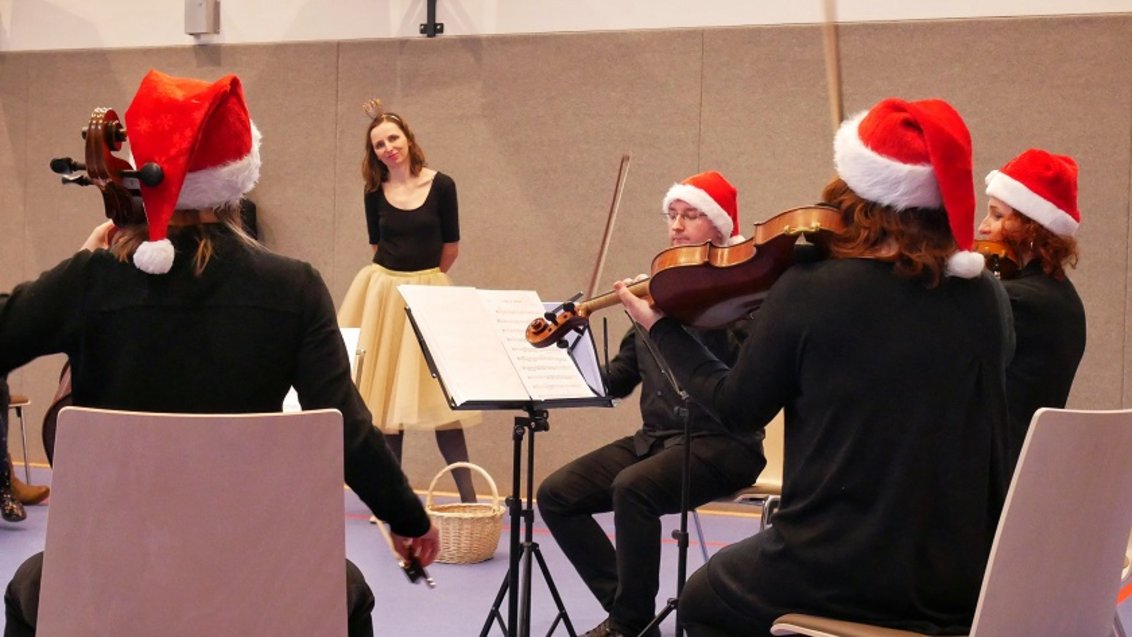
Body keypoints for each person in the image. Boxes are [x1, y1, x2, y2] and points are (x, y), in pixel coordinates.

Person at [0, 69, 438, 637]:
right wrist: (406, 517)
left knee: (27, 586)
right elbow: (347, 429)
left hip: (116, 572)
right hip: (253, 565)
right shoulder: (294, 287)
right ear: (237, 180)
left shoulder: (93, 281)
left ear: (142, 174)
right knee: (347, 590)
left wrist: (79, 264)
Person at [616, 98, 1013, 635]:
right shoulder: (984, 295)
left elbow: (736, 408)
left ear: (856, 191)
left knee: (703, 601)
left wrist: (663, 328)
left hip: (839, 567)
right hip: (960, 576)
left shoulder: (813, 290)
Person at [537, 171, 767, 637]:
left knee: (632, 488)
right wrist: (576, 351)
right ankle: (631, 611)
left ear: (721, 229)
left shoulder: (743, 303)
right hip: (656, 442)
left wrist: (669, 320)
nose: (677, 225)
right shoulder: (655, 296)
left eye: (691, 215)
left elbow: (743, 385)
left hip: (724, 444)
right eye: (672, 215)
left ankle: (628, 625)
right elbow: (617, 381)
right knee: (555, 495)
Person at [337, 99, 480, 504]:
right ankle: (392, 500)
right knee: (384, 407)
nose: (388, 148)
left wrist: (426, 283)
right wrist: (396, 285)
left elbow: (450, 248)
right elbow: (377, 245)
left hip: (428, 293)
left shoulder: (442, 185)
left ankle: (469, 499)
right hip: (382, 293)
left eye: (392, 138)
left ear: (408, 139)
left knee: (443, 399)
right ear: (374, 153)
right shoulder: (373, 192)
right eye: (379, 144)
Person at [979, 148, 1086, 467]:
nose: (983, 227)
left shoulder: (1018, 301)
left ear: (1031, 229)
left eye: (997, 215)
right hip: (1030, 472)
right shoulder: (1062, 295)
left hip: (993, 480)